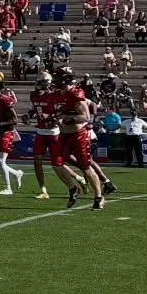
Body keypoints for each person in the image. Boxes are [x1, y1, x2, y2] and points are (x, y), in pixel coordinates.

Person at [54, 71, 106, 210]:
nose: (56, 80)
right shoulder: (58, 94)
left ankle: (99, 196)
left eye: (59, 77)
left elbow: (85, 116)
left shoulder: (75, 93)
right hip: (64, 135)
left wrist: (68, 119)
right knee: (56, 163)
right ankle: (73, 188)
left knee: (85, 167)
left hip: (77, 135)